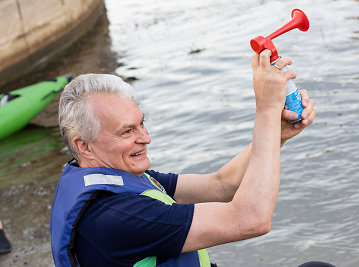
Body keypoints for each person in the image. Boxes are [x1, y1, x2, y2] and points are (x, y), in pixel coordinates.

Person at [51, 50, 321, 267]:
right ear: (83, 146)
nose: (145, 138)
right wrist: (266, 110)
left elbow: (221, 186)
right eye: (127, 131)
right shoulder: (117, 216)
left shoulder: (117, 177)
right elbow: (251, 219)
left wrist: (277, 134)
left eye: (141, 124)